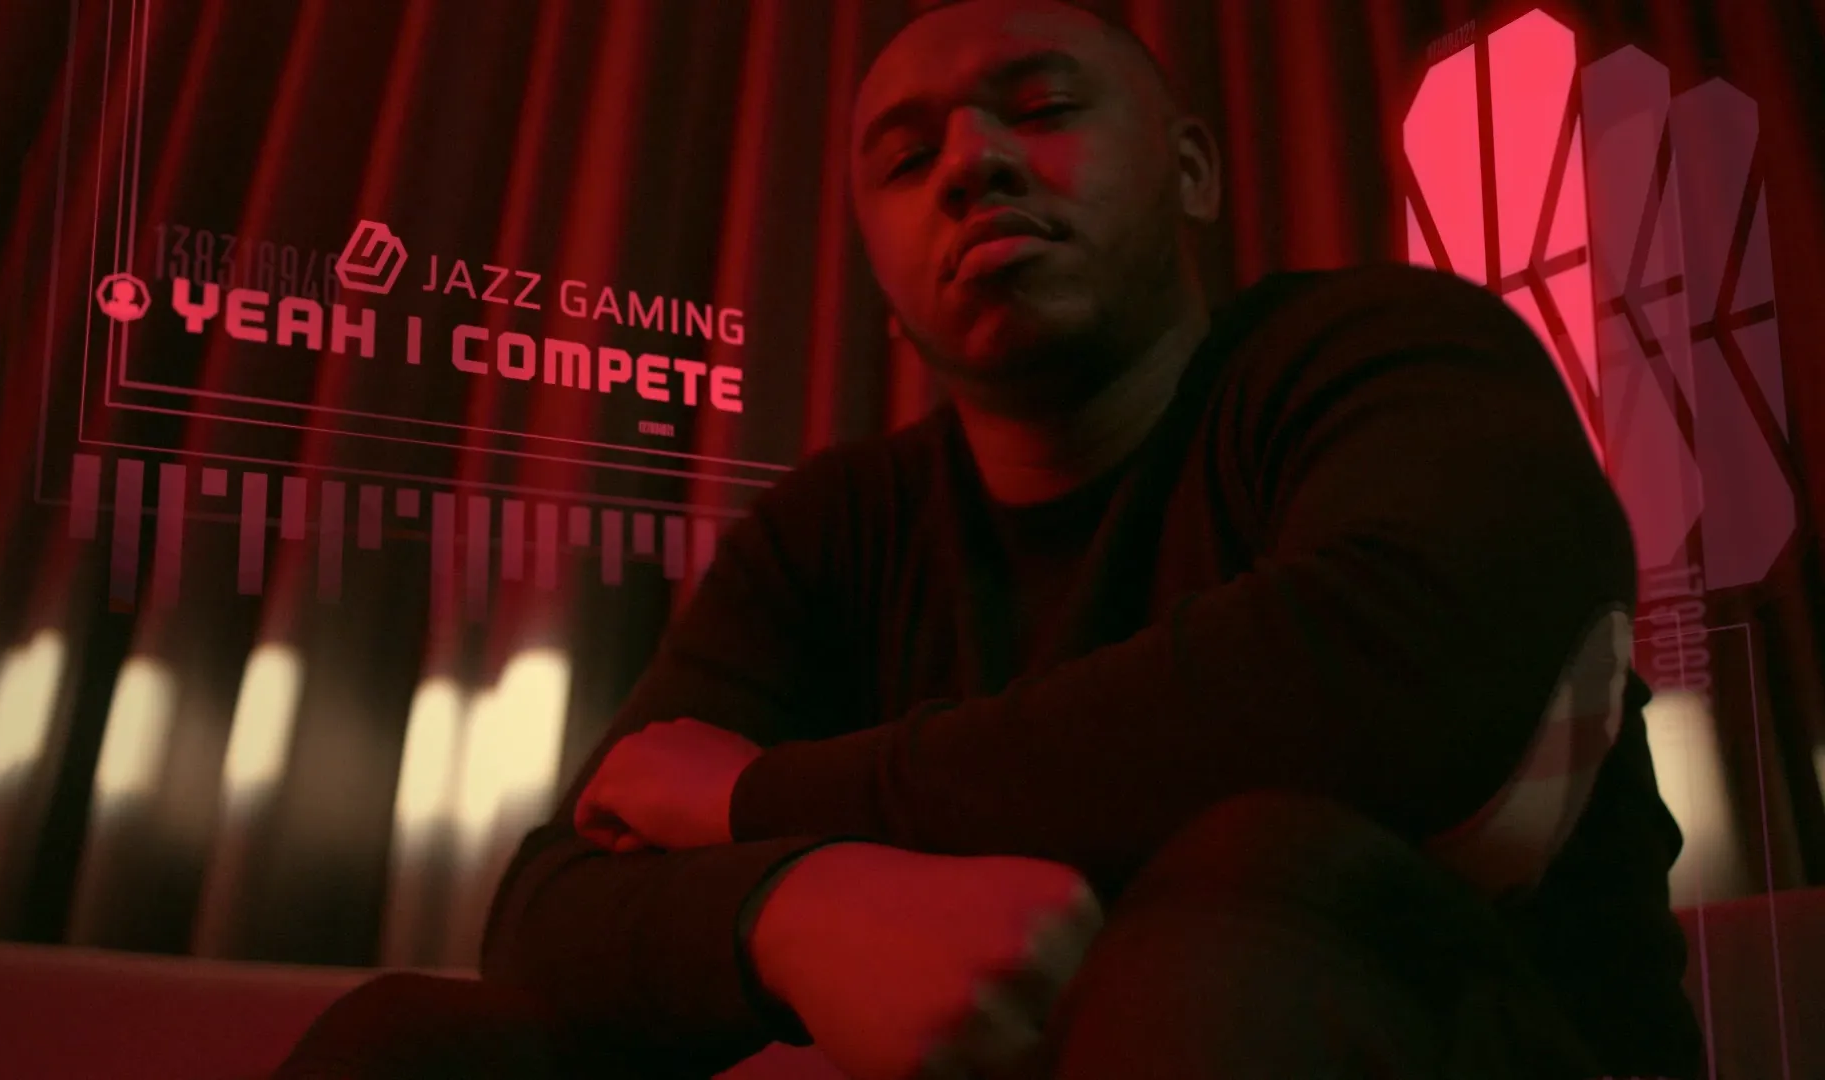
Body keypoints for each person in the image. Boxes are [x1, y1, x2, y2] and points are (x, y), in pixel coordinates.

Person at [279, 1, 1704, 1077]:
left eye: (1044, 107)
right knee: (412, 1042)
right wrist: (792, 905)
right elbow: (554, 908)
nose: (972, 162)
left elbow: (1398, 674)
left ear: (1193, 170)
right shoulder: (834, 528)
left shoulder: (1380, 351)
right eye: (909, 159)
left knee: (1250, 883)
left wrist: (759, 800)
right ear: (885, 292)